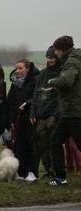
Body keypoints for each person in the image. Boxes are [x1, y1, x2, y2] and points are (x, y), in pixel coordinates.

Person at [47, 35, 81, 186]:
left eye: (56, 50)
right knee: (55, 140)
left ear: (62, 49)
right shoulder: (73, 59)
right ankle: (60, 177)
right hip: (67, 111)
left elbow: (67, 81)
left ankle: (60, 177)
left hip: (74, 111)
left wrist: (52, 81)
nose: (55, 53)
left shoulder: (72, 62)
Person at [6, 58, 40, 181]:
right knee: (19, 145)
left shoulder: (35, 80)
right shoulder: (14, 83)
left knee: (31, 144)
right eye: (16, 68)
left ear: (28, 69)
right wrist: (10, 119)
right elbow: (10, 101)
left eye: (20, 68)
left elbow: (37, 97)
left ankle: (32, 172)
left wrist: (27, 103)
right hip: (18, 119)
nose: (17, 71)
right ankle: (21, 172)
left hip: (31, 117)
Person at [31, 47, 60, 180]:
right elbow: (36, 94)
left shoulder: (61, 73)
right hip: (40, 115)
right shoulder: (42, 74)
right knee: (42, 144)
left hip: (54, 115)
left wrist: (56, 115)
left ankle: (57, 170)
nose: (50, 60)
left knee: (54, 144)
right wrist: (32, 113)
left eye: (52, 57)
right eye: (48, 57)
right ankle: (48, 169)